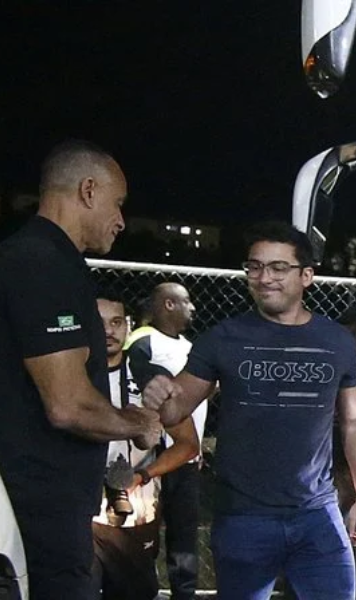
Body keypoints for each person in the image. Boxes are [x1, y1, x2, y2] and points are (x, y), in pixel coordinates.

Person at [142, 221, 356, 600]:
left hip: (317, 515)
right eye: (255, 267)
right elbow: (175, 409)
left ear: (307, 276)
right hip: (243, 519)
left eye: (278, 268)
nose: (264, 277)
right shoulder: (222, 338)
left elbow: (354, 421)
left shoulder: (337, 341)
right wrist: (158, 394)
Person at [0, 139, 162, 600]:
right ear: (88, 190)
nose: (121, 219)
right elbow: (68, 406)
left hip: (38, 501)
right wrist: (138, 423)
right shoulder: (41, 262)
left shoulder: (40, 258)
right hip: (39, 506)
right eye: (118, 203)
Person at [92, 291, 199, 600]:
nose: (108, 331)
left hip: (135, 512)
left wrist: (144, 475)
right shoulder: (70, 376)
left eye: (115, 322)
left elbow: (188, 445)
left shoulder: (149, 377)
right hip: (79, 512)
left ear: (127, 326)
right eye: (99, 324)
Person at [126, 282, 208, 600]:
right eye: (187, 301)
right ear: (169, 304)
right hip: (151, 455)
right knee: (143, 531)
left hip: (185, 453)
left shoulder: (189, 346)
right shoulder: (142, 341)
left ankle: (183, 593)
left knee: (183, 534)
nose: (193, 308)